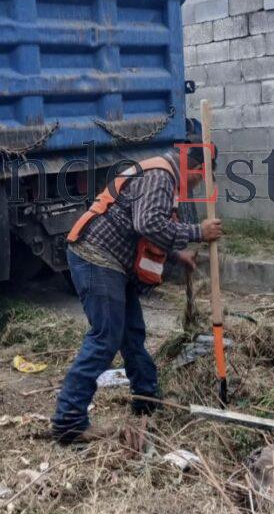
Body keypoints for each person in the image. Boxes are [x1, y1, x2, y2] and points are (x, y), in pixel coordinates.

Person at [52, 145, 224, 443]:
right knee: (105, 337)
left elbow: (144, 227)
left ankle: (147, 399)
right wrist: (197, 231)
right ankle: (69, 420)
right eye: (198, 180)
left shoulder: (161, 174)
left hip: (113, 262)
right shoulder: (161, 176)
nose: (195, 187)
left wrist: (175, 255)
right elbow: (147, 223)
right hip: (97, 257)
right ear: (193, 169)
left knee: (131, 333)